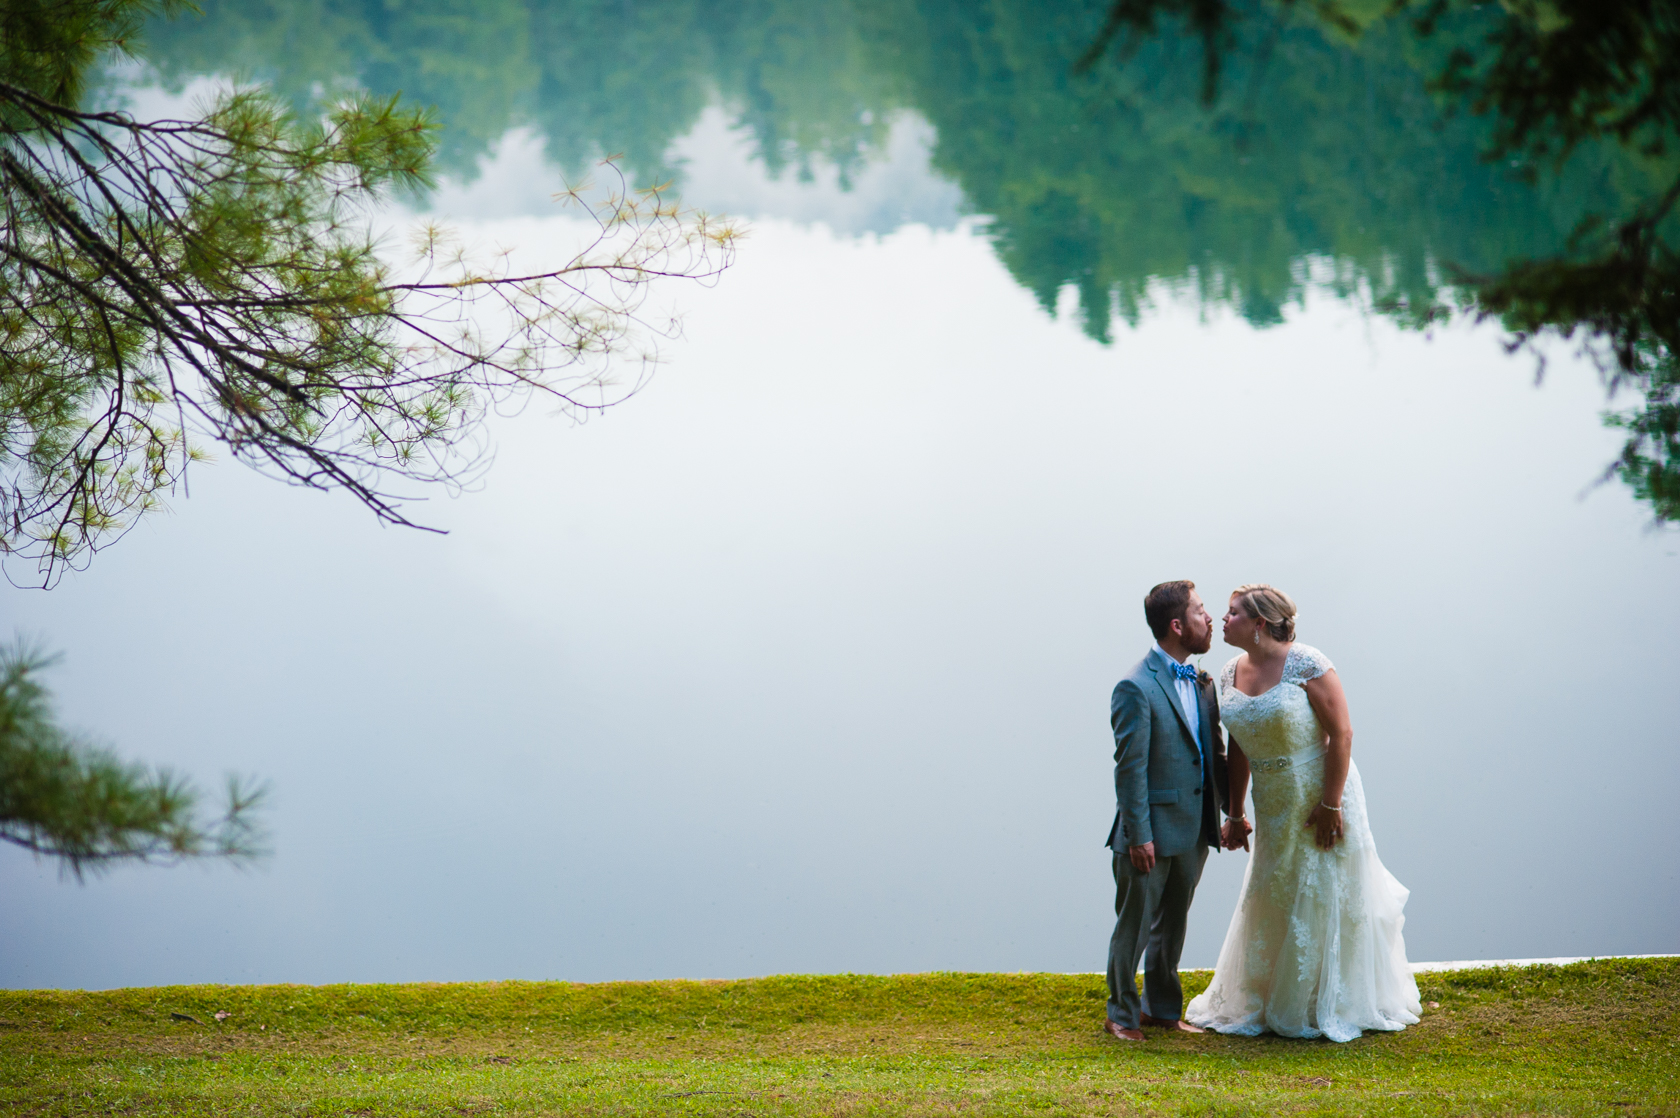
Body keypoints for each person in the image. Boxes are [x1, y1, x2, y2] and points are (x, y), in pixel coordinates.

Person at [1185, 584, 1421, 1042]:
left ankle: (1329, 998)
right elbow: (1240, 744)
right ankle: (1273, 992)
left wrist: (1332, 804)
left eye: (1231, 614)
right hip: (1273, 801)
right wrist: (1234, 811)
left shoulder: (1309, 662)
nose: (1222, 619)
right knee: (1275, 887)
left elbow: (1343, 733)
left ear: (1258, 623)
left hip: (1322, 793)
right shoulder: (1230, 671)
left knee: (1326, 887)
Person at [1103, 580, 1237, 1041]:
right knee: (1134, 929)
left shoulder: (1201, 682)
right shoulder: (1134, 686)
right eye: (1201, 612)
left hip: (1194, 831)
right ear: (1177, 625)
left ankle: (1161, 1009)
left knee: (1171, 929)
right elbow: (1130, 769)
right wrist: (1139, 835)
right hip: (1149, 835)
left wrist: (1230, 813)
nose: (1210, 619)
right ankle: (1120, 1015)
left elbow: (1214, 755)